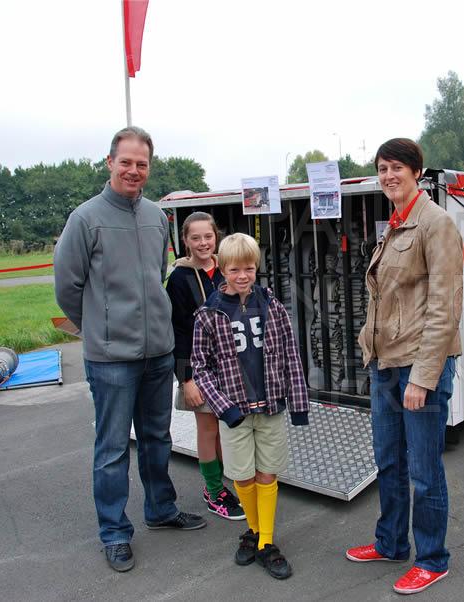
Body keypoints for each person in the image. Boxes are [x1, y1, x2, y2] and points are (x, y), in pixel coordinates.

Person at [54, 126, 206, 573]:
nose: (134, 170)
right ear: (110, 162)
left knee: (158, 438)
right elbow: (67, 287)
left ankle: (160, 509)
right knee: (113, 448)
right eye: (126, 162)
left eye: (142, 164)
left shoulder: (158, 217)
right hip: (111, 359)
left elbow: (156, 276)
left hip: (158, 352)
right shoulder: (86, 219)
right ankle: (115, 532)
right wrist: (97, 329)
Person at [345, 138, 463, 595]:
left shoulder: (436, 223)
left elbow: (445, 307)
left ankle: (432, 559)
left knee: (424, 470)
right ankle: (391, 542)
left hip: (419, 367)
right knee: (389, 462)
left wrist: (423, 378)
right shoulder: (396, 224)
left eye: (397, 167)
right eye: (382, 168)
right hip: (386, 364)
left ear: (417, 172)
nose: (389, 175)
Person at [191, 233, 309, 580]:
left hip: (270, 406)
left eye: (249, 268)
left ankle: (266, 542)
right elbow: (200, 367)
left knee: (267, 473)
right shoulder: (208, 314)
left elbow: (290, 355)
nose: (242, 276)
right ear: (222, 270)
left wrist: (298, 404)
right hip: (235, 411)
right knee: (242, 475)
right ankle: (255, 532)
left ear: (256, 267)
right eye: (234, 270)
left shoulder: (272, 306)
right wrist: (223, 407)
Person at [166, 212, 244, 520]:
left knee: (229, 427)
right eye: (195, 237)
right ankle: (213, 491)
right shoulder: (179, 279)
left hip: (232, 366)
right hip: (199, 369)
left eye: (208, 236)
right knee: (208, 428)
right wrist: (186, 379)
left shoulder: (228, 269)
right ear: (185, 240)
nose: (203, 243)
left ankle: (231, 481)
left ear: (216, 237)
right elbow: (178, 331)